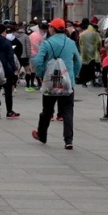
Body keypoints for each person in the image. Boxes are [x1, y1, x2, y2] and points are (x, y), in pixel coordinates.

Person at [31, 18, 82, 149]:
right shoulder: (71, 43)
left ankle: (42, 135)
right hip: (67, 82)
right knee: (67, 111)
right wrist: (73, 75)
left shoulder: (47, 43)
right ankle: (68, 140)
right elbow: (78, 61)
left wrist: (41, 75)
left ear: (52, 29)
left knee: (47, 110)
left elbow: (38, 61)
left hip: (50, 82)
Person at [0, 24, 20, 119]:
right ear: (4, 31)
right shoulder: (6, 42)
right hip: (6, 69)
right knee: (8, 91)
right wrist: (14, 69)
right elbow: (10, 57)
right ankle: (9, 111)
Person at [78, 19, 102, 87]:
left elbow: (80, 43)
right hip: (93, 53)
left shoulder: (81, 34)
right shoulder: (95, 34)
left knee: (85, 68)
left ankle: (84, 82)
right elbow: (99, 42)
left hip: (84, 54)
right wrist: (98, 49)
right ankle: (93, 81)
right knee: (93, 68)